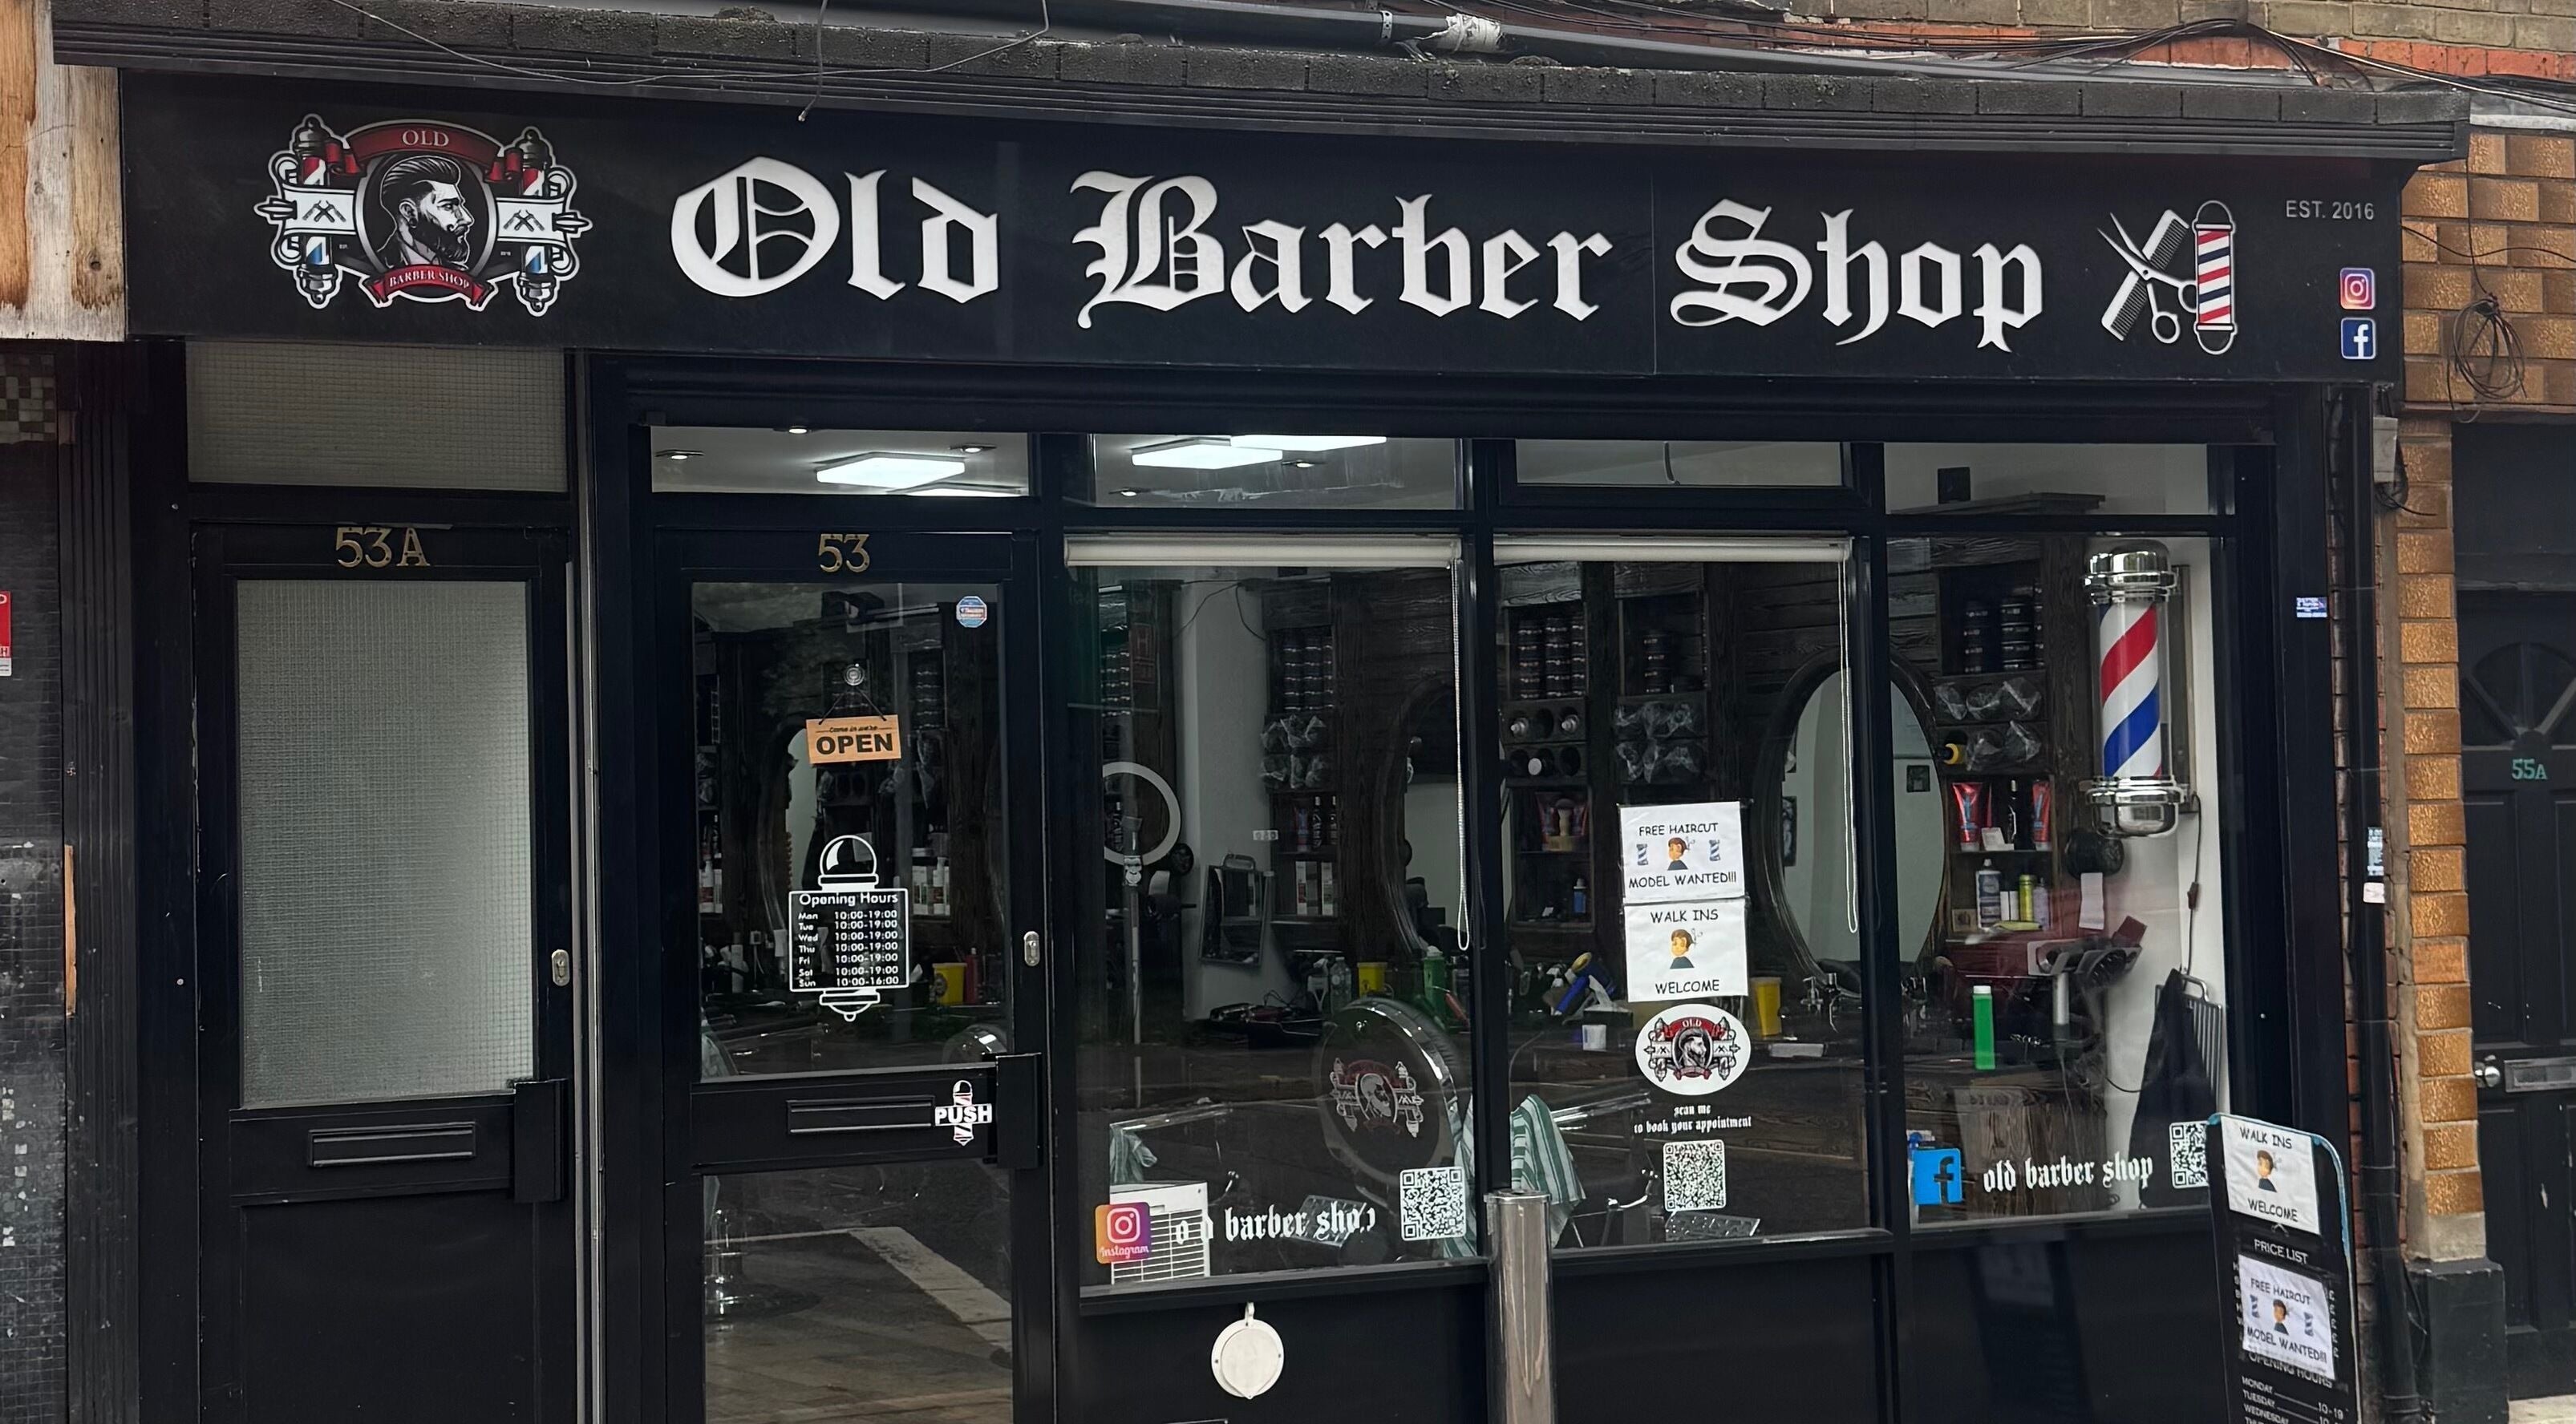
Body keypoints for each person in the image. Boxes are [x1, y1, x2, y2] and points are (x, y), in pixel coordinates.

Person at [373, 153, 479, 270]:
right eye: (448, 206)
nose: (467, 219)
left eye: (459, 206)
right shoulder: (377, 265)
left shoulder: (459, 272)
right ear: (409, 212)